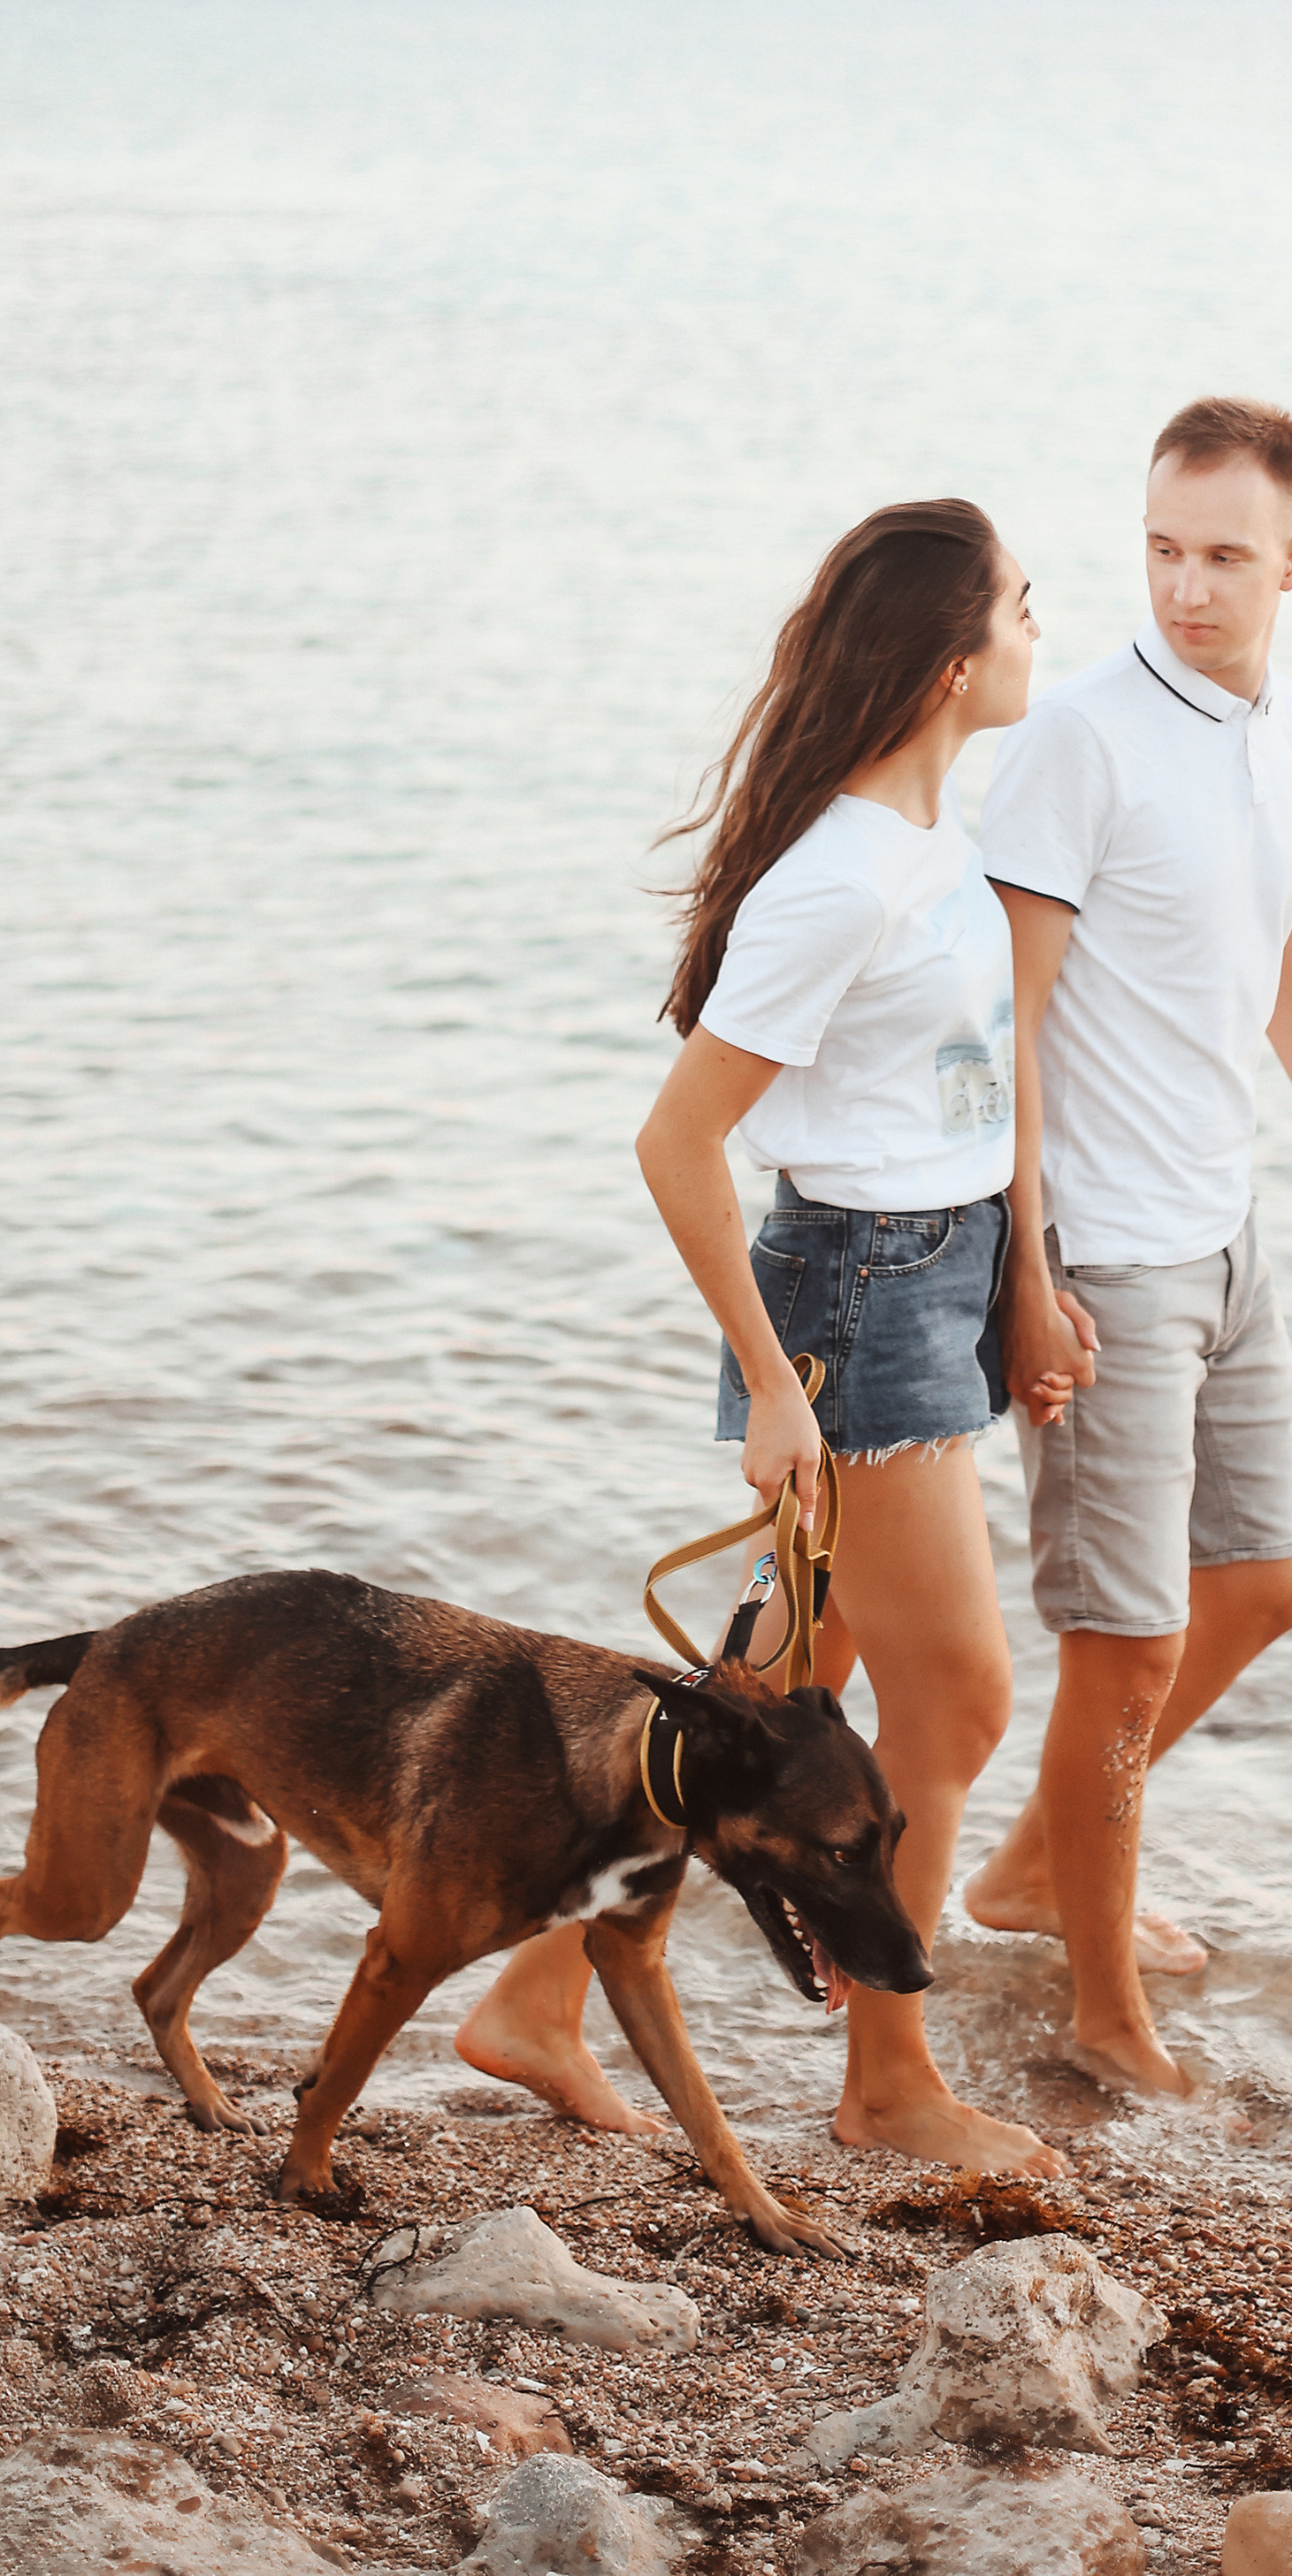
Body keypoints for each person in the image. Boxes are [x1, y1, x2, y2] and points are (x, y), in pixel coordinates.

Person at [456, 499, 1063, 2176]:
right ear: (950, 666)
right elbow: (678, 1141)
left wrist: (1021, 1285)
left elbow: (953, 1094)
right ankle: (889, 2085)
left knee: (765, 1707)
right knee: (961, 1703)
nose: (1040, 631)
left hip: (929, 1280)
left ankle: (535, 1998)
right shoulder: (840, 879)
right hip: (854, 1306)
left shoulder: (927, 837)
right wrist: (783, 1387)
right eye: (1022, 608)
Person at [960, 395, 1292, 2100]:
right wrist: (1025, 1272)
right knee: (1125, 1652)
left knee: (1264, 1587)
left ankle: (1034, 1869)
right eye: (1164, 550)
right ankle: (1106, 2011)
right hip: (1107, 1259)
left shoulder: (1281, 728)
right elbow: (1003, 1027)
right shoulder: (1079, 741)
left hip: (1227, 1231)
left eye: (1226, 559)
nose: (1188, 589)